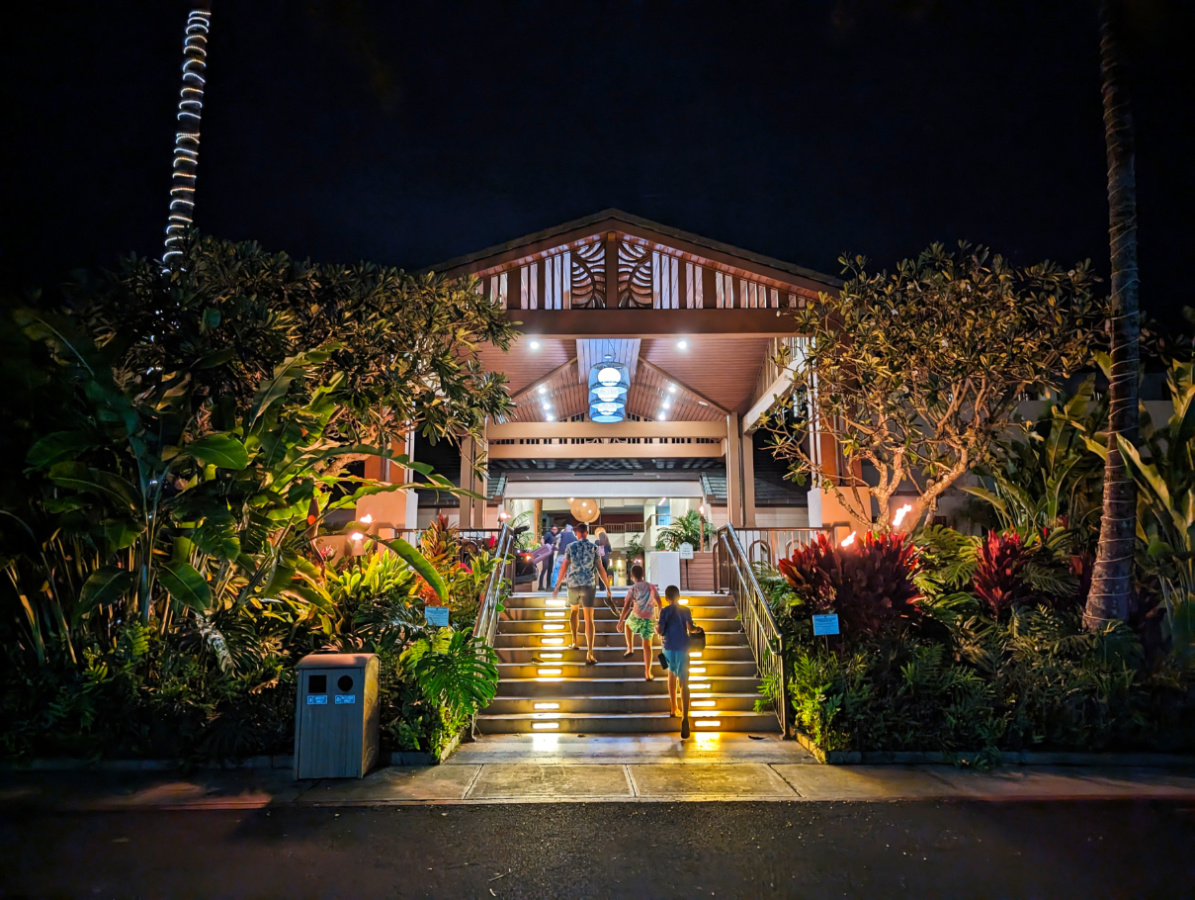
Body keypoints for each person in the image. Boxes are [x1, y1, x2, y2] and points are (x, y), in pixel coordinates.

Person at [551, 521, 611, 664]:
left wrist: (557, 585)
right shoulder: (593, 547)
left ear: (576, 533)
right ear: (587, 533)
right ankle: (589, 653)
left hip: (573, 585)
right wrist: (608, 587)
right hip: (588, 586)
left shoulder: (570, 547)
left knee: (574, 612)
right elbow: (600, 569)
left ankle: (575, 642)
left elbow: (564, 566)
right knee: (589, 619)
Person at [658, 584, 697, 739]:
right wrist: (697, 629)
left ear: (667, 599)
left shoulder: (664, 611)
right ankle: (685, 717)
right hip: (683, 648)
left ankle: (673, 708)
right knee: (684, 682)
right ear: (679, 596)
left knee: (670, 675)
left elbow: (660, 630)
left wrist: (656, 629)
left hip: (667, 649)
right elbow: (690, 627)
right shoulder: (685, 610)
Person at [617, 564, 660, 680]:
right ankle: (647, 673)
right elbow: (659, 603)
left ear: (631, 576)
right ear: (643, 574)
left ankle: (630, 648)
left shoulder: (633, 589)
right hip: (649, 618)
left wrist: (620, 621)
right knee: (647, 646)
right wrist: (659, 619)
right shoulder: (651, 587)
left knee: (627, 625)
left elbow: (627, 607)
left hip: (637, 616)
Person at [551, 523, 576, 588]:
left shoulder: (563, 533)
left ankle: (553, 586)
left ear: (566, 529)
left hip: (561, 555)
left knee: (556, 570)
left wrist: (554, 543)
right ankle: (569, 586)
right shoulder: (574, 538)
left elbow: (556, 537)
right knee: (569, 571)